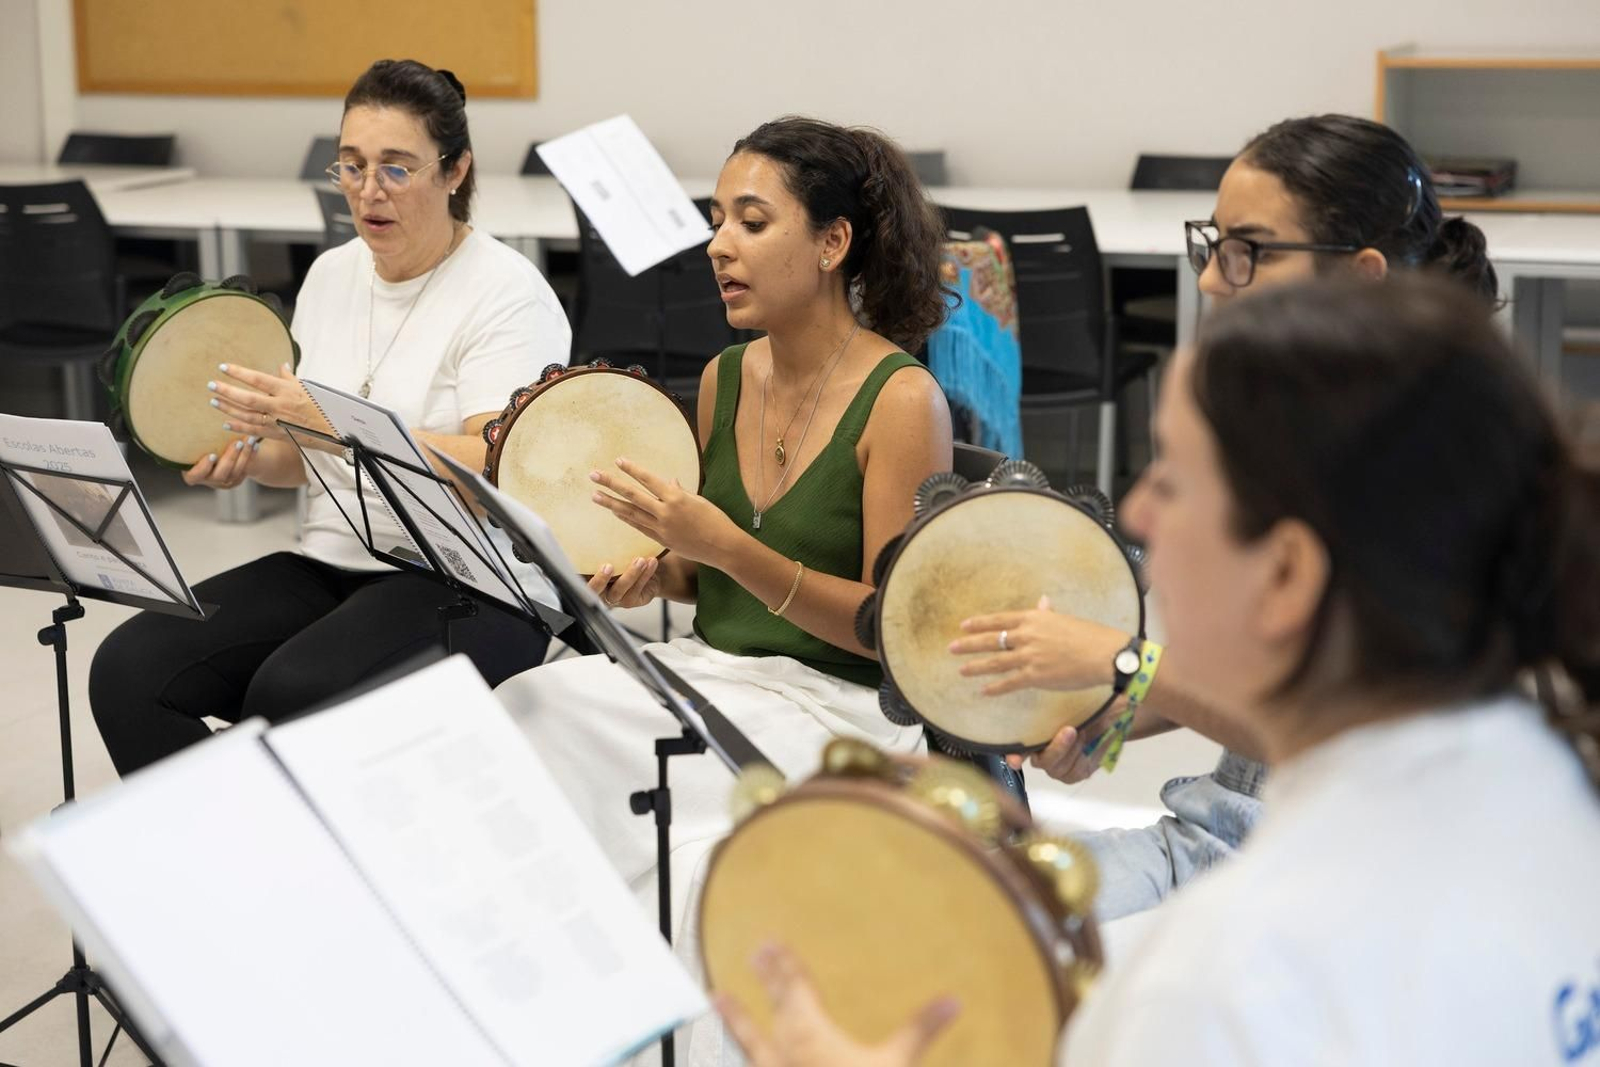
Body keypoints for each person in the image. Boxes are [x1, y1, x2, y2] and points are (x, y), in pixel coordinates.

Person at [719, 272, 1600, 1067]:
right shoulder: (1553, 795)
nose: (1136, 507)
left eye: (1172, 476)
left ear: (1287, 573)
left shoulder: (1219, 985)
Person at [947, 114, 1500, 919]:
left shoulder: (1434, 479)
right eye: (1212, 243)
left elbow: (1330, 729)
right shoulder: (1314, 435)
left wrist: (1121, 661)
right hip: (1223, 836)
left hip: (1319, 883)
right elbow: (1263, 678)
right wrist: (1114, 717)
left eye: (1250, 250)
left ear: (1364, 273)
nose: (1210, 278)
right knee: (944, 894)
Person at [493, 115, 952, 1062]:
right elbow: (702, 573)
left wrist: (729, 550)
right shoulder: (724, 376)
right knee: (523, 707)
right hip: (719, 667)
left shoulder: (904, 400)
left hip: (842, 710)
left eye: (751, 222)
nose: (718, 247)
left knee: (694, 853)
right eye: (715, 221)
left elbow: (887, 628)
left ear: (833, 244)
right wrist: (654, 569)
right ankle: (566, 1013)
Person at [90, 59, 570, 775]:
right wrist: (254, 459)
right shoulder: (332, 274)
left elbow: (499, 470)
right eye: (350, 165)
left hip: (471, 582)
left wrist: (334, 421)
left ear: (456, 170)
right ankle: (239, 863)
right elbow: (305, 461)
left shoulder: (506, 293)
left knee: (292, 692)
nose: (367, 191)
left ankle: (290, 861)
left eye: (396, 169)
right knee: (127, 668)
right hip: (330, 558)